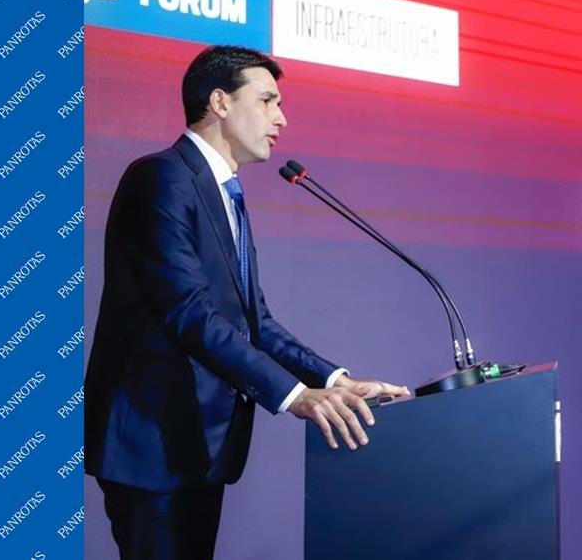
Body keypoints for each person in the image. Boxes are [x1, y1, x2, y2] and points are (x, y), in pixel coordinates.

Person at [84, 44, 410, 559]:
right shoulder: (161, 177)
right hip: (154, 444)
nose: (281, 118)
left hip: (200, 447)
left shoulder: (225, 192)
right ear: (220, 102)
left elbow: (256, 322)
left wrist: (333, 381)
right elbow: (189, 312)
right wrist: (294, 397)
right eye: (267, 101)